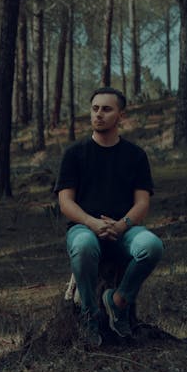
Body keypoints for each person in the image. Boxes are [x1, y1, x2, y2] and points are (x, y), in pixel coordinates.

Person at [54, 87, 164, 347]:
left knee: (152, 246)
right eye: (95, 109)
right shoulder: (74, 154)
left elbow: (142, 202)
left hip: (124, 231)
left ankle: (118, 302)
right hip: (84, 228)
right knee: (82, 246)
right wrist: (92, 223)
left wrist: (122, 225)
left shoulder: (135, 155)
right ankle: (90, 316)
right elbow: (65, 202)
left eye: (106, 109)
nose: (99, 114)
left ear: (121, 116)